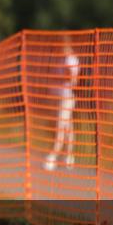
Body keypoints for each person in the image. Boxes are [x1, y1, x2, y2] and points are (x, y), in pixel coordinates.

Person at [44, 40, 80, 171]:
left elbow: (73, 80)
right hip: (59, 98)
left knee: (61, 126)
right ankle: (69, 157)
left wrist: (66, 73)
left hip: (67, 98)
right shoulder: (60, 59)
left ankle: (53, 156)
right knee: (67, 128)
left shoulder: (72, 60)